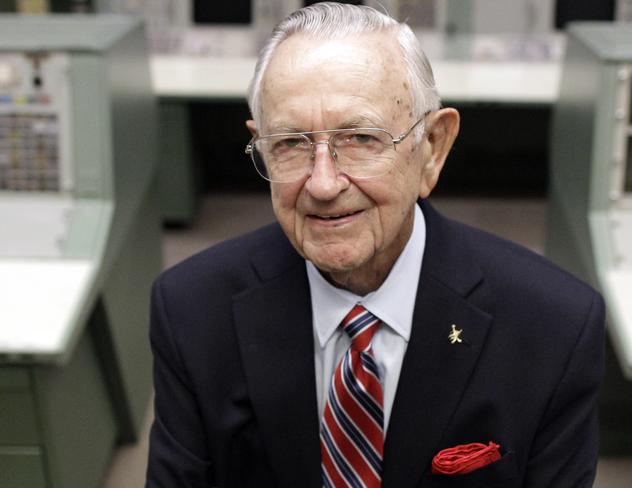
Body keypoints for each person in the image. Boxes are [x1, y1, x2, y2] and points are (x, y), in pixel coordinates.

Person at [146, 3, 605, 487]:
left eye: (362, 138)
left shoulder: (554, 329)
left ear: (432, 149)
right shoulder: (191, 312)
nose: (322, 184)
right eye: (292, 143)